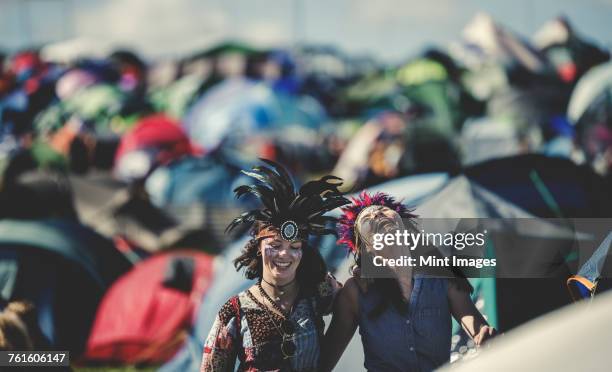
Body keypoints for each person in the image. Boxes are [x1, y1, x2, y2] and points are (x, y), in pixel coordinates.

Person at [200, 159, 349, 372]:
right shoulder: (235, 311)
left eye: (294, 246)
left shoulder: (319, 294)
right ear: (258, 247)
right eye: (275, 245)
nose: (284, 254)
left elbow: (353, 300)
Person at [321, 192, 497, 372]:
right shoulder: (355, 291)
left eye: (382, 210)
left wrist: (483, 335)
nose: (376, 214)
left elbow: (476, 327)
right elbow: (322, 363)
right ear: (366, 249)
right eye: (367, 219)